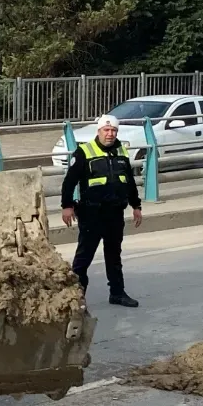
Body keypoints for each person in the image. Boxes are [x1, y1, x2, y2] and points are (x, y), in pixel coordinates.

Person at [60, 114, 143, 307]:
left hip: (115, 213)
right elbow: (69, 182)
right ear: (99, 131)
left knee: (114, 255)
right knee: (84, 258)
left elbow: (129, 181)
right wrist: (67, 206)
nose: (110, 134)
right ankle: (76, 299)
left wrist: (136, 205)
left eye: (113, 130)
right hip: (91, 214)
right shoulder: (84, 151)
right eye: (106, 130)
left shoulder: (121, 151)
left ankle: (117, 293)